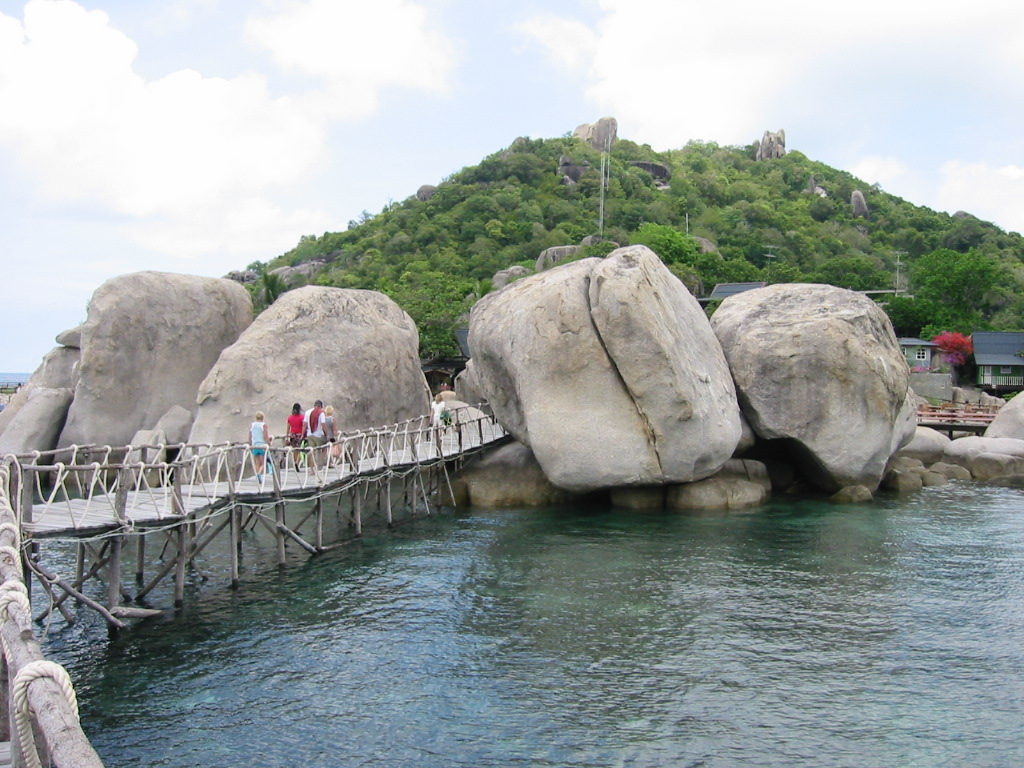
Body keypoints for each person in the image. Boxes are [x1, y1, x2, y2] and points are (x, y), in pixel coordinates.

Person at [304, 399, 326, 466]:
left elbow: (304, 424)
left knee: (312, 451)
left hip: (309, 434)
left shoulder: (307, 412)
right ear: (321, 406)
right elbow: (323, 424)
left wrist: (303, 435)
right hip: (318, 435)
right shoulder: (321, 412)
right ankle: (319, 465)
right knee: (322, 448)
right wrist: (327, 434)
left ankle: (312, 469)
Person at [249, 411, 271, 479]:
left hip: (255, 445)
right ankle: (259, 474)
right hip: (262, 445)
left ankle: (257, 476)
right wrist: (269, 443)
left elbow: (250, 436)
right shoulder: (263, 425)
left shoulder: (252, 425)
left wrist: (250, 444)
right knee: (263, 463)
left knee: (257, 463)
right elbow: (265, 436)